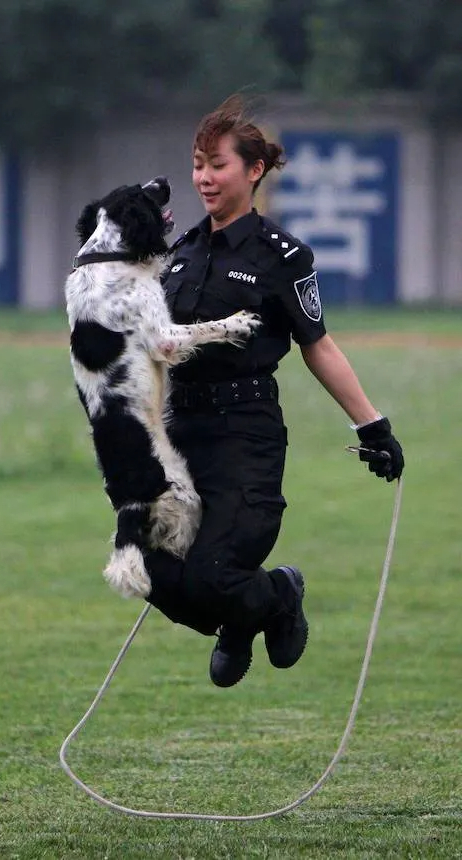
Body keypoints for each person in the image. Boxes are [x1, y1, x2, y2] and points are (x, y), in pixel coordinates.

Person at [143, 95, 404, 688]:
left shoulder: (282, 256)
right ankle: (252, 610)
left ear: (254, 170)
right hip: (180, 434)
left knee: (213, 573)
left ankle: (276, 595)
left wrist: (373, 427)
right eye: (197, 164)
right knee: (148, 568)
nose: (204, 178)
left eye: (218, 165)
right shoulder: (179, 253)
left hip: (245, 435)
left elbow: (318, 345)